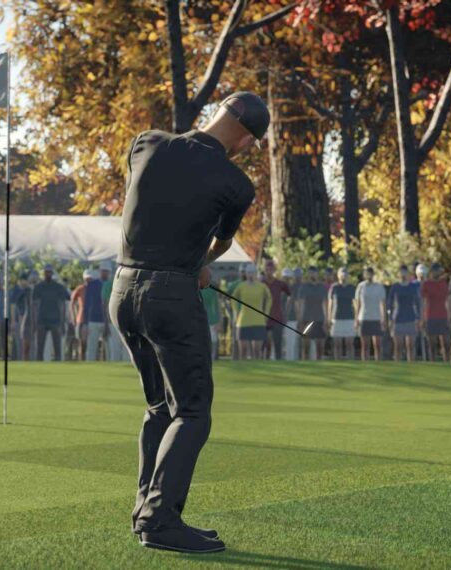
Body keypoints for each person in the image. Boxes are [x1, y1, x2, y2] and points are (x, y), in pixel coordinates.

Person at [110, 91, 266, 553]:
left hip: (122, 289)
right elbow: (221, 244)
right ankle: (160, 520)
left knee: (159, 406)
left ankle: (146, 511)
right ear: (246, 138)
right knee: (192, 411)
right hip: (170, 296)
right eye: (252, 143)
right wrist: (199, 264)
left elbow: (145, 204)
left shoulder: (146, 142)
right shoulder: (237, 184)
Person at [232, 263, 271, 360]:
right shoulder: (241, 286)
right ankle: (243, 369)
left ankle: (257, 369)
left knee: (257, 351)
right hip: (243, 321)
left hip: (258, 321)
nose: (251, 275)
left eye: (253, 272)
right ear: (246, 274)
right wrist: (236, 312)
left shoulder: (262, 286)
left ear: (256, 273)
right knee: (243, 350)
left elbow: (269, 298)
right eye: (249, 272)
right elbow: (233, 298)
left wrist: (266, 313)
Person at [31, 264, 69, 361]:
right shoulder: (38, 287)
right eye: (46, 272)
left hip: (55, 320)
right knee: (39, 349)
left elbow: (63, 305)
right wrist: (34, 322)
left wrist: (62, 322)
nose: (48, 274)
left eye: (49, 272)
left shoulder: (59, 287)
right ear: (43, 273)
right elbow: (34, 307)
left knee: (57, 350)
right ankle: (39, 367)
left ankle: (58, 367)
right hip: (41, 320)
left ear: (52, 273)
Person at [70, 268, 106, 361]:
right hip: (81, 320)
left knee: (95, 344)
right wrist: (73, 316)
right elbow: (72, 302)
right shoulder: (80, 288)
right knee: (82, 343)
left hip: (91, 319)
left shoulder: (96, 287)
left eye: (89, 278)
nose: (88, 280)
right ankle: (81, 361)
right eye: (86, 278)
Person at [420, 263, 450, 362]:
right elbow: (424, 302)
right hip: (430, 316)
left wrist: (449, 316)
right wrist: (423, 319)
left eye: (440, 271)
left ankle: (447, 363)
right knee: (432, 344)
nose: (439, 273)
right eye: (437, 271)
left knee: (446, 343)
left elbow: (448, 301)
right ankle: (433, 363)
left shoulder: (443, 284)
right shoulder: (426, 284)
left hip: (443, 316)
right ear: (432, 272)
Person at [389, 265, 420, 362]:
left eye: (405, 273)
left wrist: (419, 318)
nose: (403, 275)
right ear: (398, 274)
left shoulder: (413, 287)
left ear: (408, 274)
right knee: (398, 346)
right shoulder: (395, 287)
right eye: (401, 273)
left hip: (411, 318)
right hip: (398, 318)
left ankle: (411, 366)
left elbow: (418, 304)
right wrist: (390, 318)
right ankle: (397, 365)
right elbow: (390, 304)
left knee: (410, 345)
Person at [354, 266, 386, 361]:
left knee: (377, 345)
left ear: (373, 275)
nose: (369, 275)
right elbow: (358, 304)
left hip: (376, 318)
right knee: (365, 345)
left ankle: (378, 363)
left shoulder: (379, 287)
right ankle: (364, 364)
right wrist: (356, 319)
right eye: (367, 274)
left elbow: (382, 304)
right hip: (364, 317)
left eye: (370, 274)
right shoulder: (361, 287)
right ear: (364, 275)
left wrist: (383, 319)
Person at [296, 266, 327, 360]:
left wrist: (326, 320)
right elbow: (300, 304)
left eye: (314, 273)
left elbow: (325, 304)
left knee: (320, 348)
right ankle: (305, 366)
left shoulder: (322, 287)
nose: (312, 275)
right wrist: (299, 320)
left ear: (317, 274)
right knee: (306, 348)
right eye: (310, 273)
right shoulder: (303, 287)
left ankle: (319, 366)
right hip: (306, 319)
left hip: (319, 319)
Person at [262, 260, 291, 360]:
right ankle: (263, 363)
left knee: (278, 344)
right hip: (264, 318)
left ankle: (279, 363)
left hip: (277, 318)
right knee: (265, 344)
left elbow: (291, 295)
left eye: (271, 269)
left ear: (274, 270)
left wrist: (286, 311)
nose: (269, 271)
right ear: (264, 270)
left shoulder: (280, 283)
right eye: (267, 269)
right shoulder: (261, 283)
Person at [328, 267, 355, 360]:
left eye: (345, 273)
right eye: (341, 273)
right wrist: (329, 319)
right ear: (338, 275)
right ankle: (337, 363)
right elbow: (330, 304)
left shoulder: (352, 288)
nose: (343, 275)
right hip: (336, 319)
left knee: (349, 344)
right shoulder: (334, 287)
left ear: (348, 275)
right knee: (337, 344)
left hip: (350, 318)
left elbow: (356, 304)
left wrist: (356, 319)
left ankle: (351, 363)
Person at [100, 261, 126, 361]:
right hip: (114, 321)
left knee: (119, 349)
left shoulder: (110, 284)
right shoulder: (109, 284)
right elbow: (105, 305)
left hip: (120, 321)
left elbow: (105, 305)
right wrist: (106, 324)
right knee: (117, 349)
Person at [8, 271, 32, 361]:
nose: (27, 282)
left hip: (26, 320)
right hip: (19, 321)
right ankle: (19, 361)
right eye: (26, 280)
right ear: (22, 280)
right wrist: (13, 321)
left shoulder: (27, 290)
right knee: (20, 344)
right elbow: (13, 306)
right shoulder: (16, 290)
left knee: (24, 344)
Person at [199, 277, 222, 358]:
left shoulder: (214, 291)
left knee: (213, 340)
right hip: (201, 320)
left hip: (213, 320)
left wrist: (220, 322)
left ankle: (213, 357)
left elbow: (218, 306)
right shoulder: (197, 289)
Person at [283, 268, 302, 361]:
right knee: (286, 343)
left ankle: (292, 361)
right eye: (285, 278)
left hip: (292, 319)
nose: (287, 280)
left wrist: (298, 319)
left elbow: (295, 305)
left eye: (288, 278)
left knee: (293, 343)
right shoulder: (280, 288)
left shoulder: (293, 289)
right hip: (281, 319)